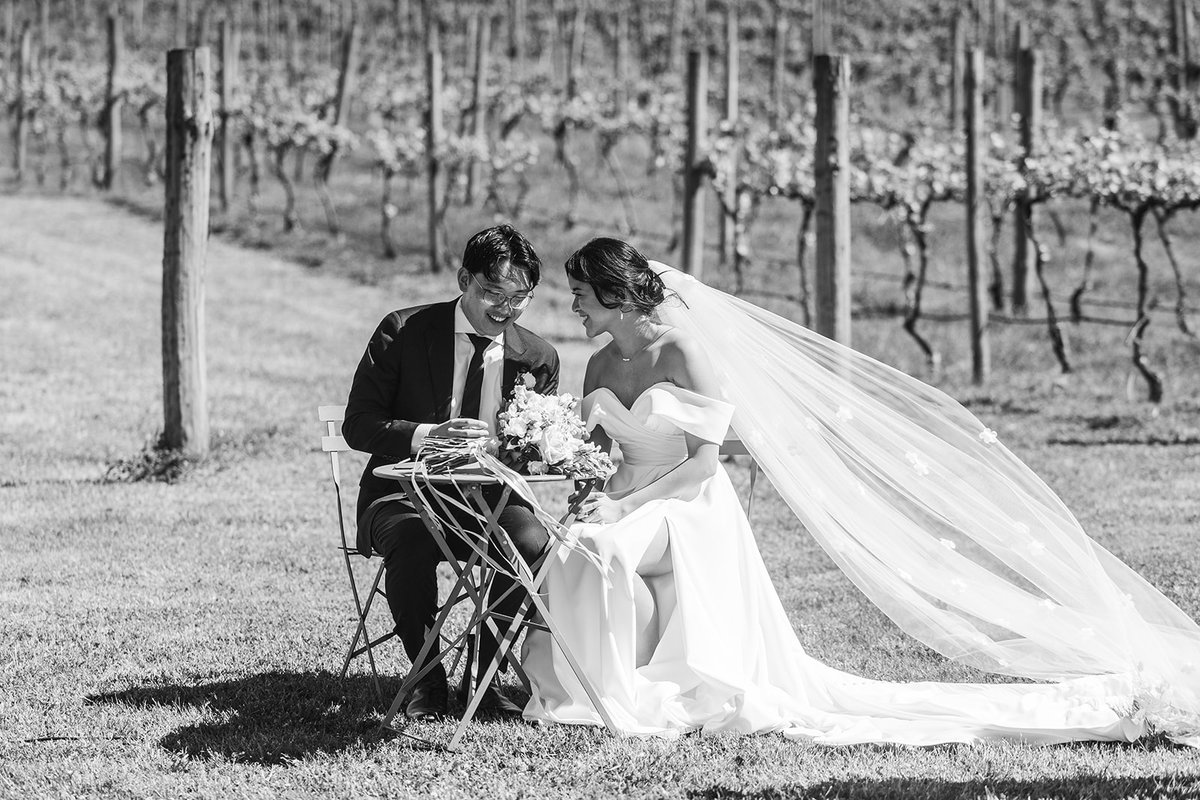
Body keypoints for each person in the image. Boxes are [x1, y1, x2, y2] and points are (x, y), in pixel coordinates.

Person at [520, 237, 1200, 745]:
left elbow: (703, 465)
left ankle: (619, 699)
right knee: (577, 539)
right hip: (631, 497)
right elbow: (601, 455)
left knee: (605, 547)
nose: (572, 304)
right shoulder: (600, 361)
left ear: (614, 294)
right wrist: (586, 484)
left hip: (687, 505)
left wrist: (625, 504)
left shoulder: (683, 354)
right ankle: (588, 690)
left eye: (579, 293)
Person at [343, 224, 559, 720]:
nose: (504, 310)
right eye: (492, 294)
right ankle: (427, 679)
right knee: (415, 540)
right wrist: (425, 435)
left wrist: (543, 450)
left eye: (520, 298)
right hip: (401, 495)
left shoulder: (539, 357)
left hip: (490, 501)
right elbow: (359, 425)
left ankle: (483, 676)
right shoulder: (403, 330)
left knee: (531, 543)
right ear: (464, 278)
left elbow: (532, 449)